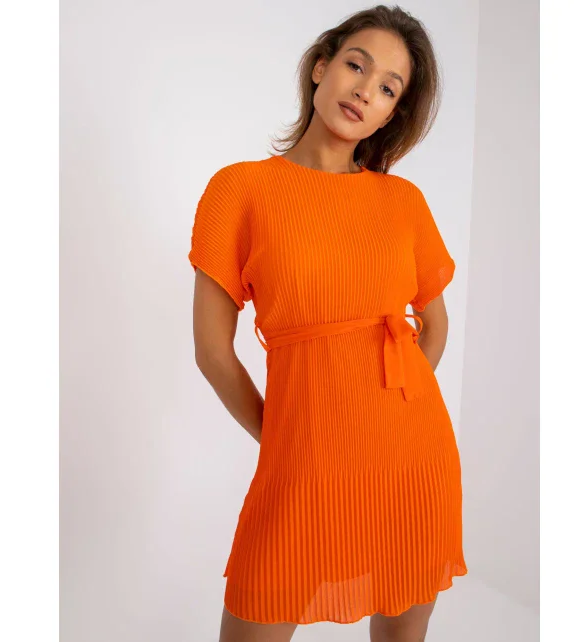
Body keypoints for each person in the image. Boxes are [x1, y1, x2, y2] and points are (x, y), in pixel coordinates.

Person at [188, 5, 467, 641]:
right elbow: (212, 351)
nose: (366, 90)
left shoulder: (402, 201)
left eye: (389, 88)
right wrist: (287, 437)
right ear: (321, 67)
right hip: (305, 463)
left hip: (411, 458)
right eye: (356, 66)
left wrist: (390, 406)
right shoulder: (240, 190)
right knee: (260, 604)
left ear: (391, 114)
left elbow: (434, 322)